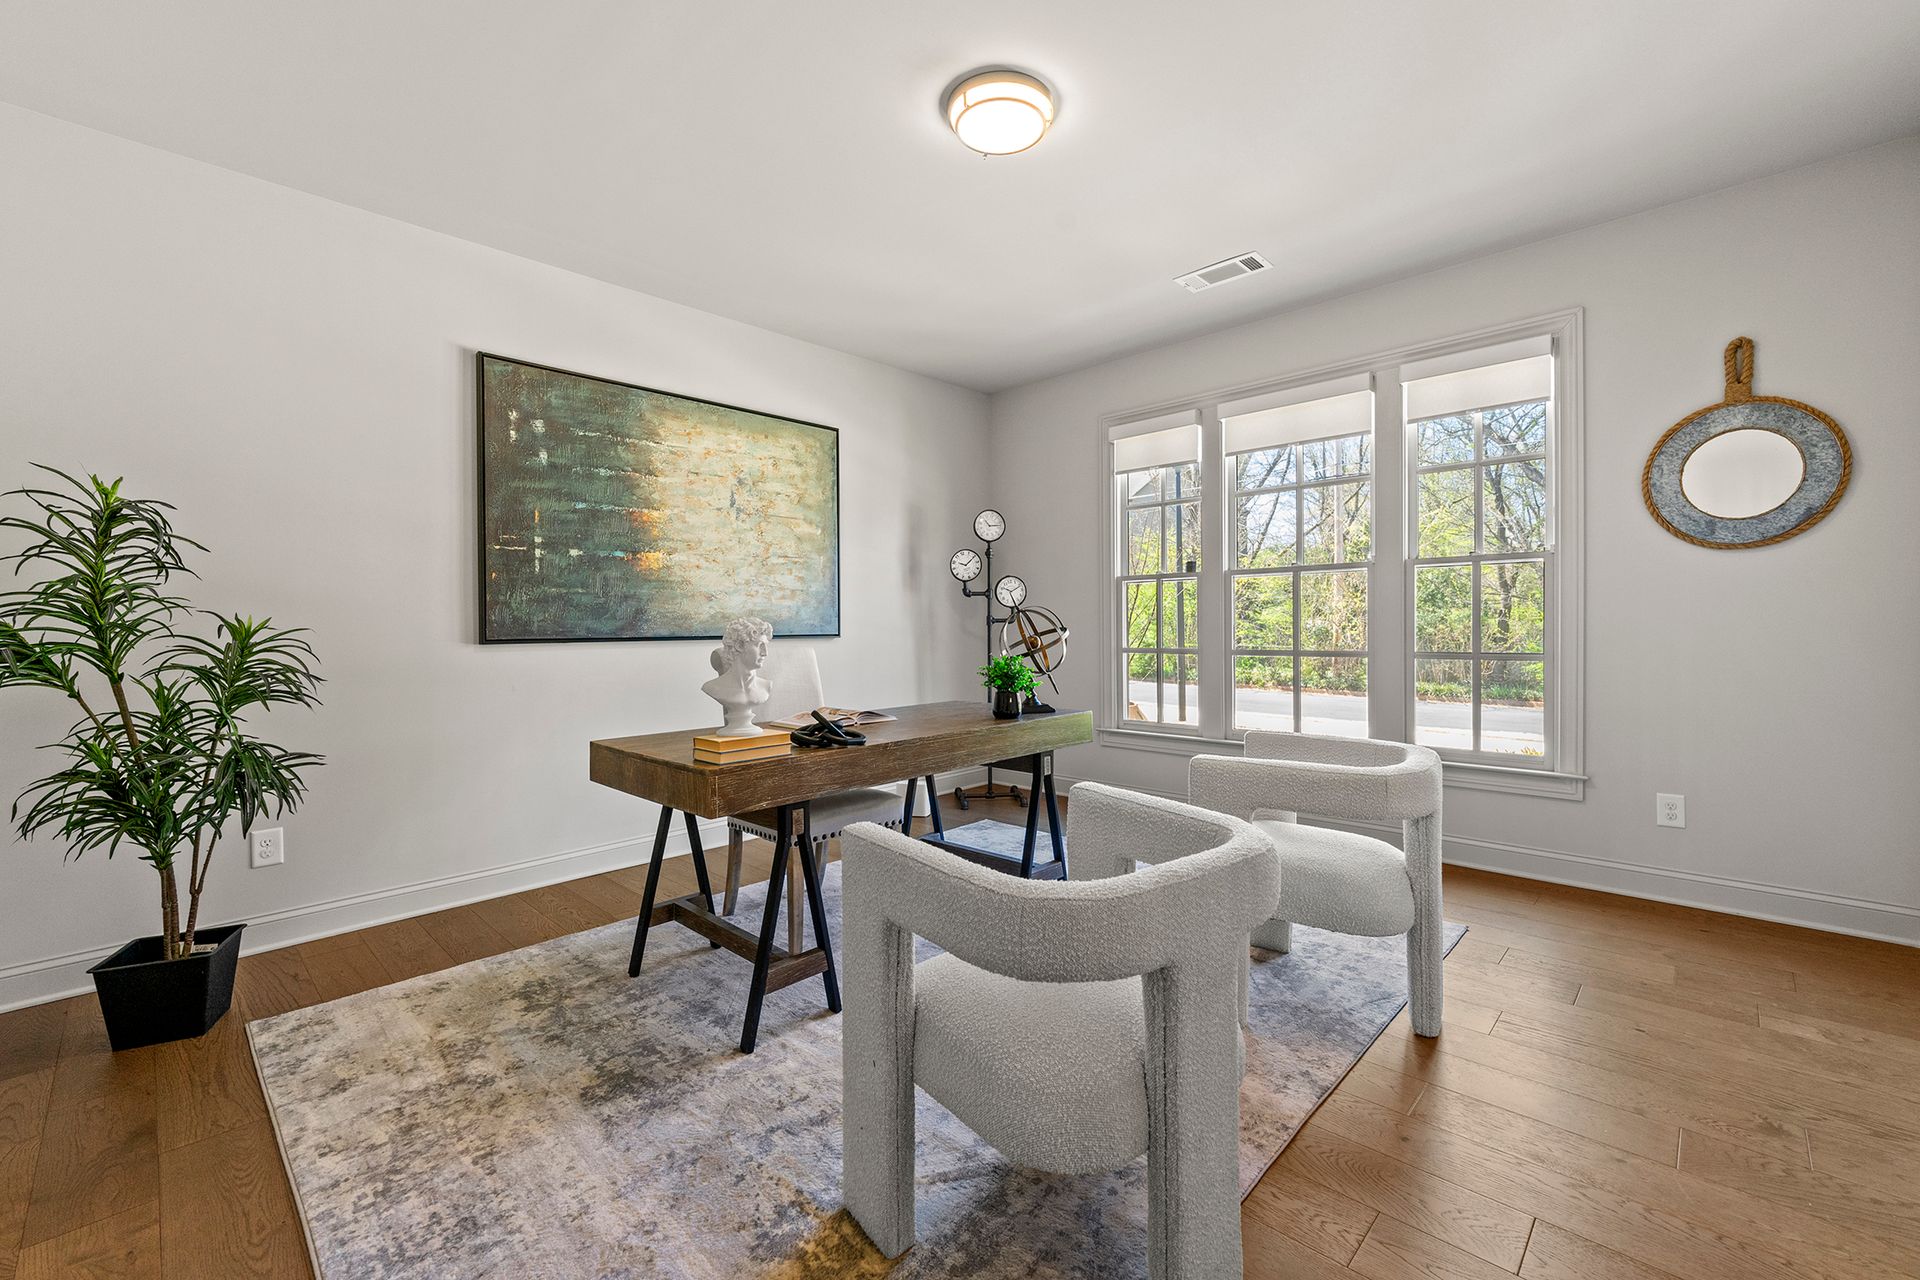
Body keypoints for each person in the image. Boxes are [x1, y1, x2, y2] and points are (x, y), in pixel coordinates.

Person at [701, 616, 773, 735]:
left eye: (765, 646)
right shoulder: (713, 688)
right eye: (759, 645)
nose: (765, 653)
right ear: (739, 646)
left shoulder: (766, 687)